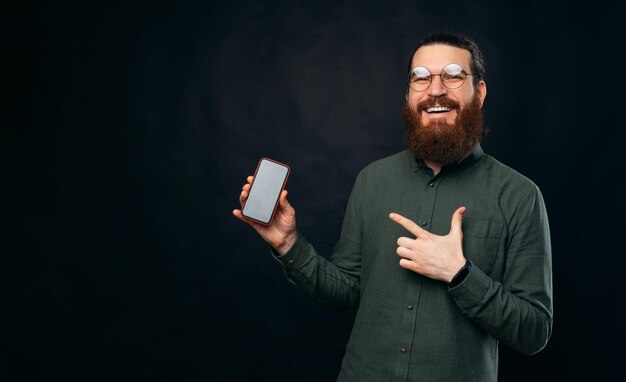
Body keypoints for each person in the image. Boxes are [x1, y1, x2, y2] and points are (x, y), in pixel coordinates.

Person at [233, 32, 552, 381]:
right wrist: (287, 244)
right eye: (421, 77)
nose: (435, 89)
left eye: (452, 75)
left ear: (480, 91)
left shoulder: (520, 196)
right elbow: (344, 292)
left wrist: (459, 274)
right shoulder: (373, 180)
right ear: (409, 94)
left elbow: (534, 332)